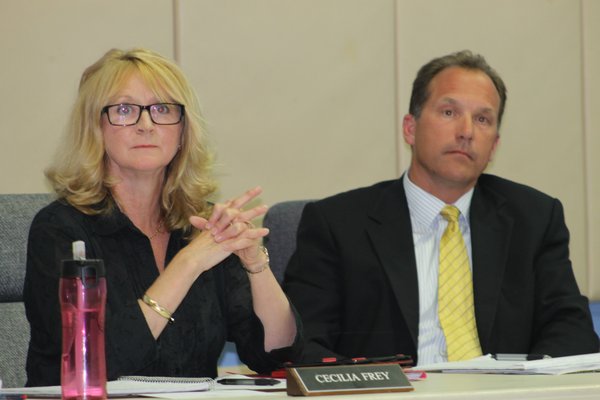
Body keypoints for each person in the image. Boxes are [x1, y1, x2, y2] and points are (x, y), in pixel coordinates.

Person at [283, 50, 599, 365]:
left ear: (494, 146)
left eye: (482, 119)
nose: (466, 131)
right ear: (410, 128)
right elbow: (303, 342)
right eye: (449, 112)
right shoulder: (338, 224)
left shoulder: (534, 218)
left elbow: (572, 331)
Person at [24, 48, 301, 386]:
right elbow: (101, 362)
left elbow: (275, 354)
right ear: (95, 128)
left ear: (183, 132)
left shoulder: (201, 226)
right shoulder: (61, 230)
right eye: (124, 110)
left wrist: (255, 262)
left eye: (162, 109)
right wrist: (188, 264)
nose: (146, 125)